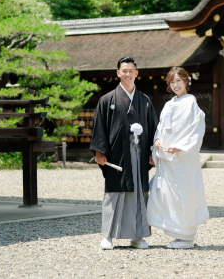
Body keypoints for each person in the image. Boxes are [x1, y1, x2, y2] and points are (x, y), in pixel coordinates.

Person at [90, 56, 158, 250]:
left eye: (131, 71)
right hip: (116, 154)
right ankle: (107, 236)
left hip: (139, 151)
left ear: (137, 73)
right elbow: (99, 128)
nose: (128, 74)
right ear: (118, 73)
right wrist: (99, 151)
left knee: (139, 194)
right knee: (114, 192)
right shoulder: (107, 100)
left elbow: (154, 128)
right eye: (124, 71)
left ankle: (138, 236)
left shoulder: (144, 101)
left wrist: (153, 151)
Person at [147, 66, 209, 249]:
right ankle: (176, 233)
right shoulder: (169, 104)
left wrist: (180, 147)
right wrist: (157, 139)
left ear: (186, 82)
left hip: (182, 159)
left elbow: (195, 130)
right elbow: (161, 127)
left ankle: (186, 235)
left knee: (184, 192)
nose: (175, 85)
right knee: (167, 194)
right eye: (172, 82)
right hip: (166, 158)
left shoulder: (191, 103)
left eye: (178, 81)